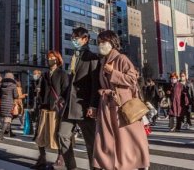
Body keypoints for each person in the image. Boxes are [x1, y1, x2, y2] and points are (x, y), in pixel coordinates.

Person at [93, 30, 150, 170]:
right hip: (107, 104)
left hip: (122, 105)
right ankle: (106, 164)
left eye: (103, 42)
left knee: (128, 137)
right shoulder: (103, 61)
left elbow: (132, 79)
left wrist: (113, 72)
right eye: (99, 42)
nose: (100, 45)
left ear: (112, 43)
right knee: (106, 137)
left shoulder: (121, 58)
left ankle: (135, 162)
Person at [58, 27, 100, 170]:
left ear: (85, 39)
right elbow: (71, 82)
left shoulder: (92, 58)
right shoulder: (74, 57)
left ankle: (94, 168)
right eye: (72, 37)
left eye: (76, 37)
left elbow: (95, 85)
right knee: (62, 136)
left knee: (90, 142)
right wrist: (63, 96)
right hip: (69, 106)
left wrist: (93, 106)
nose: (73, 40)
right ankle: (71, 167)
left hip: (84, 107)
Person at [31, 51, 69, 169]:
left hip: (56, 109)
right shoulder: (45, 74)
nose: (50, 60)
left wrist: (60, 104)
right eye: (48, 58)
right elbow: (41, 90)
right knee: (40, 133)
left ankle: (60, 158)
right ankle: (42, 157)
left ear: (58, 60)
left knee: (56, 134)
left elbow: (65, 91)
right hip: (44, 107)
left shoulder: (62, 74)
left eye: (52, 58)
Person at [0, 72, 18, 140]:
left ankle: (10, 132)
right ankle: (1, 134)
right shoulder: (13, 85)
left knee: (7, 119)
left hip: (2, 103)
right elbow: (15, 95)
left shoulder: (1, 85)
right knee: (7, 119)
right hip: (9, 103)